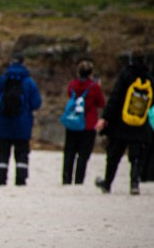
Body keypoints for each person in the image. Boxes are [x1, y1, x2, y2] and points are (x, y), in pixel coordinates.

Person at [95, 53, 153, 195]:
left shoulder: (126, 75)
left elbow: (116, 97)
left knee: (114, 155)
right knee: (136, 157)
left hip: (121, 123)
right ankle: (134, 184)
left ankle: (107, 183)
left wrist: (105, 117)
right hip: (139, 124)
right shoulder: (149, 78)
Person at [0, 53, 42, 186]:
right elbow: (36, 103)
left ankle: (1, 179)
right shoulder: (29, 82)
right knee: (21, 152)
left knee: (2, 152)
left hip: (2, 122)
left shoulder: (2, 79)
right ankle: (21, 179)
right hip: (22, 124)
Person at [61, 60, 106, 185]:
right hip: (88, 124)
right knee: (83, 155)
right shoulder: (94, 87)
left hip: (72, 122)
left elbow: (70, 94)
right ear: (91, 73)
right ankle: (79, 180)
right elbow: (101, 103)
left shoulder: (72, 85)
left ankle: (66, 178)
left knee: (69, 153)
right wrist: (97, 87)